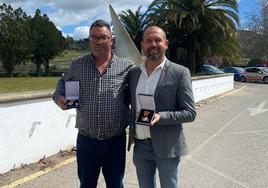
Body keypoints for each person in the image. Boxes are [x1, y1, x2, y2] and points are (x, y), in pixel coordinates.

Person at [52, 20, 132, 188]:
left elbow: (137, 94)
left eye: (103, 37)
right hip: (86, 142)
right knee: (86, 185)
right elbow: (61, 85)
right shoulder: (77, 64)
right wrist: (59, 97)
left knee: (116, 184)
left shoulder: (127, 67)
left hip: (115, 141)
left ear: (112, 39)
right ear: (89, 40)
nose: (98, 41)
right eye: (94, 38)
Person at [127, 26, 196, 188]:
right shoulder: (134, 74)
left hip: (167, 145)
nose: (153, 44)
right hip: (140, 145)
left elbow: (190, 113)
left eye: (157, 40)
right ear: (142, 45)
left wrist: (161, 116)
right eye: (148, 40)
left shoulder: (180, 72)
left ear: (166, 44)